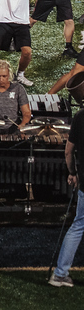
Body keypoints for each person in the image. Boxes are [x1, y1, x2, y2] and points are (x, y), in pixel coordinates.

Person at [49, 102, 84, 287]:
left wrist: (72, 173)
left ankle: (60, 274)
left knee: (78, 225)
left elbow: (68, 151)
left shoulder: (80, 116)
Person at [0, 60, 32, 126]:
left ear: (9, 75)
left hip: (14, 128)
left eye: (4, 76)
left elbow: (26, 112)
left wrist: (23, 125)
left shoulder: (18, 88)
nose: (1, 79)